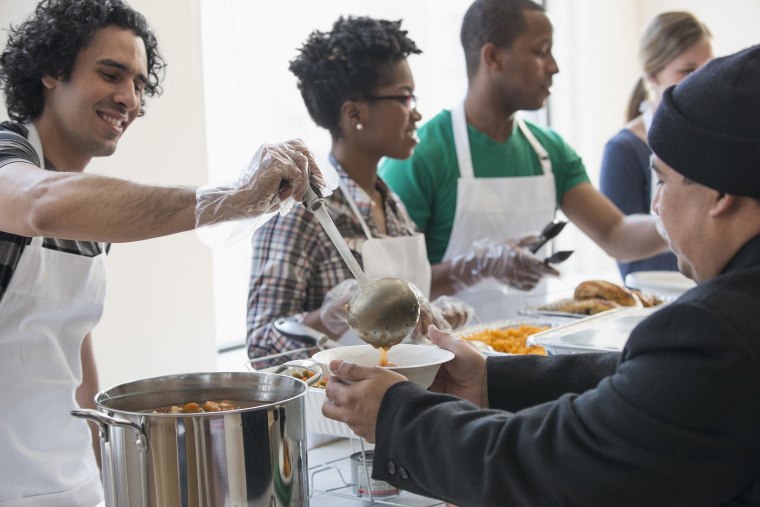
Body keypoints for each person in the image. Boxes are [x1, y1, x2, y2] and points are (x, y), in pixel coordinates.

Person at [322, 45, 760, 506]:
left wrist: (398, 416)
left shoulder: (716, 330)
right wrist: (496, 379)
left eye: (663, 180)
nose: (655, 205)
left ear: (721, 195)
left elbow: (552, 467)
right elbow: (649, 389)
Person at [0, 1, 321, 505]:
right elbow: (37, 205)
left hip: (73, 484)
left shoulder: (87, 204)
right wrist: (229, 199)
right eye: (111, 74)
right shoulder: (12, 160)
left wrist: (108, 475)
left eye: (140, 84)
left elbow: (74, 346)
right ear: (50, 71)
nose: (129, 98)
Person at [246, 16, 554, 364]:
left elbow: (400, 305)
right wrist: (332, 315)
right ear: (354, 113)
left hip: (402, 403)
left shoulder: (390, 204)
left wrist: (433, 313)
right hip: (333, 411)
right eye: (404, 98)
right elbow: (260, 349)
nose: (417, 113)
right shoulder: (301, 210)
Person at [379, 0, 668, 321]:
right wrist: (475, 268)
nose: (554, 66)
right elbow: (388, 290)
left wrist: (676, 220)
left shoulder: (549, 150)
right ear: (492, 57)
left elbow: (616, 234)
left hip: (527, 352)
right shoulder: (423, 154)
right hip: (443, 359)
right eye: (541, 51)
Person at [600, 11, 713, 279]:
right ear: (652, 75)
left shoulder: (717, 141)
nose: (701, 81)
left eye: (709, 69)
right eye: (688, 70)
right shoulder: (624, 150)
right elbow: (629, 261)